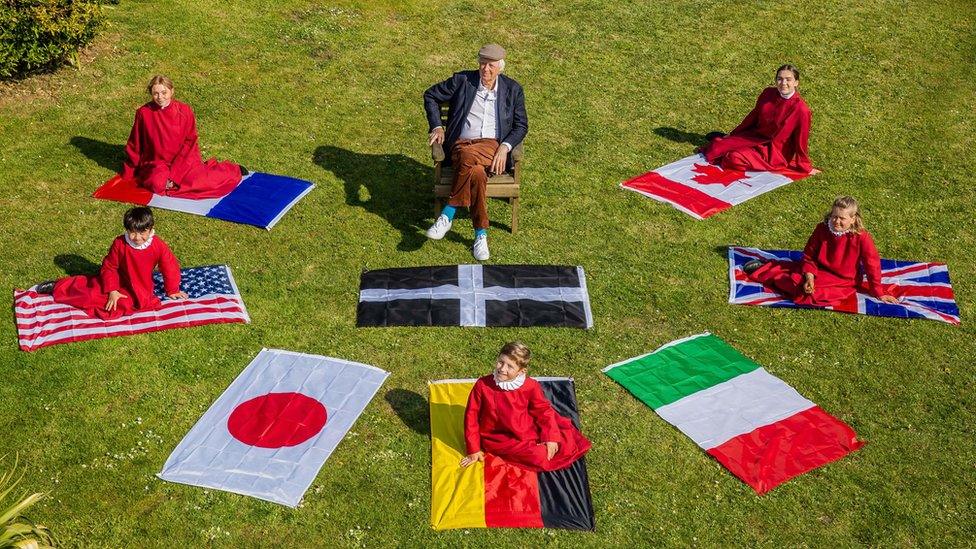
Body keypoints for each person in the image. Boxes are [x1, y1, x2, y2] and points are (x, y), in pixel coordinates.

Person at [423, 44, 529, 261]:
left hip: (493, 148)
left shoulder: (513, 89)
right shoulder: (463, 80)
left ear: (500, 67)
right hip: (462, 145)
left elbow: (521, 125)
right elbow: (430, 95)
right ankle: (480, 234)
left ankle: (448, 213)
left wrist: (504, 147)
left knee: (470, 159)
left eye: (491, 66)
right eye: (482, 64)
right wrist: (436, 126)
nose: (485, 70)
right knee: (477, 172)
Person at [744, 196, 899, 307]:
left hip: (843, 279)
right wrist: (810, 277)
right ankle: (764, 269)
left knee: (808, 293)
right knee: (797, 280)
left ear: (853, 219)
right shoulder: (822, 229)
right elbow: (809, 255)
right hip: (818, 270)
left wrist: (878, 291)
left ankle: (769, 272)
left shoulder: (862, 237)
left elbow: (872, 264)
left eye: (842, 218)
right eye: (834, 216)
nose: (836, 221)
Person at [36, 207, 188, 319]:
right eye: (133, 232)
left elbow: (170, 266)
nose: (137, 237)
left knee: (120, 306)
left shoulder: (157, 245)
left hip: (140, 288)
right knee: (90, 294)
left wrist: (172, 289)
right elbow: (110, 267)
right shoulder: (120, 244)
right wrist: (112, 290)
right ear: (127, 230)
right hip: (117, 282)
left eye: (142, 233)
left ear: (150, 230)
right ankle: (58, 286)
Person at [460, 342, 591, 472]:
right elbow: (471, 416)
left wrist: (550, 437)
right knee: (540, 456)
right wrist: (474, 449)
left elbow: (543, 411)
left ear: (521, 371)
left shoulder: (530, 386)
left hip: (525, 429)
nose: (502, 369)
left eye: (510, 366)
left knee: (560, 440)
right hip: (498, 437)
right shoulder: (483, 385)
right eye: (501, 362)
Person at [121, 75, 245, 198]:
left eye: (164, 92)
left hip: (184, 161)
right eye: (155, 93)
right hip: (156, 163)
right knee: (158, 184)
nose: (160, 97)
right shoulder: (144, 113)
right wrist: (131, 169)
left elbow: (190, 142)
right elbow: (135, 142)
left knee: (203, 182)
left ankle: (233, 169)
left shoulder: (184, 111)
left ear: (172, 91)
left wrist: (175, 174)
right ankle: (170, 183)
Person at [701, 64, 818, 175]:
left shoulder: (801, 109)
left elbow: (801, 139)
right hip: (754, 137)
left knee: (733, 157)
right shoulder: (768, 93)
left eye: (788, 79)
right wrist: (734, 134)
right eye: (780, 79)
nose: (783, 83)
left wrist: (805, 166)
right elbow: (753, 116)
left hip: (774, 151)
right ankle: (728, 143)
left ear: (796, 82)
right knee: (716, 148)